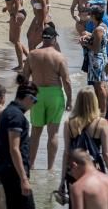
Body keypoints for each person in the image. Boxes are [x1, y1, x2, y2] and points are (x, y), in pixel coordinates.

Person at [18, 23, 73, 171]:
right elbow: (66, 81)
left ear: (43, 39)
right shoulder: (59, 57)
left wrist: (22, 99)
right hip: (54, 94)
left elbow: (24, 78)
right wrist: (70, 100)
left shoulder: (32, 54)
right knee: (53, 133)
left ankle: (31, 165)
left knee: (35, 132)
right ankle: (50, 168)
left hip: (36, 94)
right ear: (54, 39)